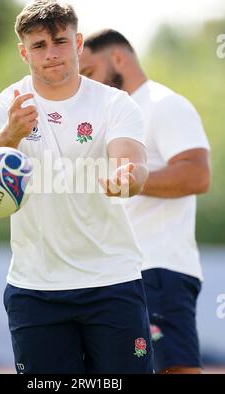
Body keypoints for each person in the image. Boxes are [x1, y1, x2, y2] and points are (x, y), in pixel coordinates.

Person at [0, 0, 153, 374]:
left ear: (78, 43)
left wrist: (124, 178)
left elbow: (132, 166)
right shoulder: (3, 108)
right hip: (34, 288)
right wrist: (10, 134)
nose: (51, 53)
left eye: (60, 41)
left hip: (112, 282)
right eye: (39, 46)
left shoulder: (114, 103)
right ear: (24, 52)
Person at [79, 29, 211, 374]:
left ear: (118, 59)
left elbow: (198, 175)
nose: (87, 85)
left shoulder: (164, 104)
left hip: (160, 269)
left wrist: (133, 181)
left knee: (175, 370)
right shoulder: (117, 117)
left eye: (90, 73)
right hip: (121, 273)